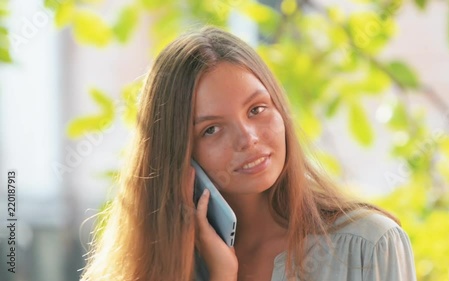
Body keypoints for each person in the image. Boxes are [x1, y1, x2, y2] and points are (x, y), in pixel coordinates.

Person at [80, 26, 416, 281]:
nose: (248, 139)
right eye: (211, 129)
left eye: (257, 109)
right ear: (177, 156)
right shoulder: (166, 264)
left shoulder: (368, 245)